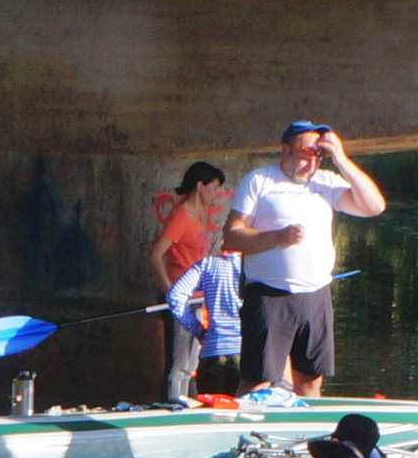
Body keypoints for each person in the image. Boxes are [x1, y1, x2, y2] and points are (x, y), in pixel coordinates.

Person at [224, 121, 386, 395]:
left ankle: (309, 435)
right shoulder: (260, 180)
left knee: (310, 380)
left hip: (315, 296)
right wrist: (277, 237)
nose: (311, 164)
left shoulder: (326, 182)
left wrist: (341, 159)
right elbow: (231, 236)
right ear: (285, 150)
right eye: (304, 155)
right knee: (257, 382)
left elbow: (374, 207)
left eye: (318, 156)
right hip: (268, 295)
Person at [149, 161, 232, 403]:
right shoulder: (182, 215)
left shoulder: (201, 214)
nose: (217, 194)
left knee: (191, 362)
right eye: (214, 188)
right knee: (179, 363)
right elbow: (155, 255)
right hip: (182, 298)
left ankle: (185, 402)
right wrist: (171, 294)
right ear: (200, 186)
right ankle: (173, 407)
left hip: (197, 298)